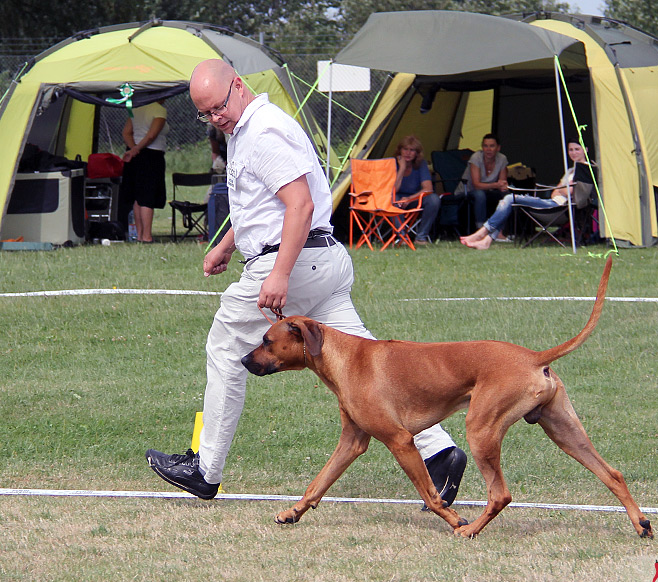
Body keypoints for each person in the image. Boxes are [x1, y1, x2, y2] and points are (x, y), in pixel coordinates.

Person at [145, 59, 467, 508]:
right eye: (205, 114)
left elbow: (298, 206)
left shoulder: (263, 131)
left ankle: (205, 467)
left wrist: (278, 273)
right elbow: (264, 202)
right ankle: (441, 453)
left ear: (237, 86)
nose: (215, 118)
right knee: (363, 363)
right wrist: (227, 243)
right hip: (321, 261)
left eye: (218, 106)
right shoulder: (247, 130)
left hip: (292, 262)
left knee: (224, 345)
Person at [461, 138, 594, 250]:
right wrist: (561, 190)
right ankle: (487, 240)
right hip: (554, 203)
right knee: (508, 200)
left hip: (558, 208)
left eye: (577, 149)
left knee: (509, 198)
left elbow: (569, 191)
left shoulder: (585, 169)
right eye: (571, 149)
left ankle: (482, 233)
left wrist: (561, 190)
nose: (573, 153)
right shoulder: (571, 169)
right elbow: (556, 191)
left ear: (585, 150)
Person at [119, 99, 168, 243]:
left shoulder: (136, 107)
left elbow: (126, 133)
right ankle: (147, 236)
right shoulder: (159, 110)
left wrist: (133, 149)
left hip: (134, 156)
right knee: (147, 196)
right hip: (151, 155)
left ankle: (139, 235)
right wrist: (137, 149)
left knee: (137, 196)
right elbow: (151, 135)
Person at [393, 135, 441, 244]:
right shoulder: (392, 163)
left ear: (417, 153)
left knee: (433, 199)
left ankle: (421, 237)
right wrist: (402, 168)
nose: (408, 153)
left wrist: (409, 199)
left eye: (412, 150)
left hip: (414, 199)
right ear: (400, 150)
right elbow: (392, 190)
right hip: (396, 199)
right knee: (392, 198)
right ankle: (402, 237)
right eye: (405, 149)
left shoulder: (421, 164)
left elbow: (428, 189)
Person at [457, 133, 509, 228]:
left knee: (507, 194)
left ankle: (502, 229)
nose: (488, 149)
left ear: (498, 148)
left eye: (492, 146)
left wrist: (502, 186)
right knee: (479, 194)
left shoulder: (502, 159)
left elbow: (502, 184)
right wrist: (496, 185)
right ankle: (480, 228)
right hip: (467, 191)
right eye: (485, 146)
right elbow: (476, 185)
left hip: (488, 191)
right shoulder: (476, 158)